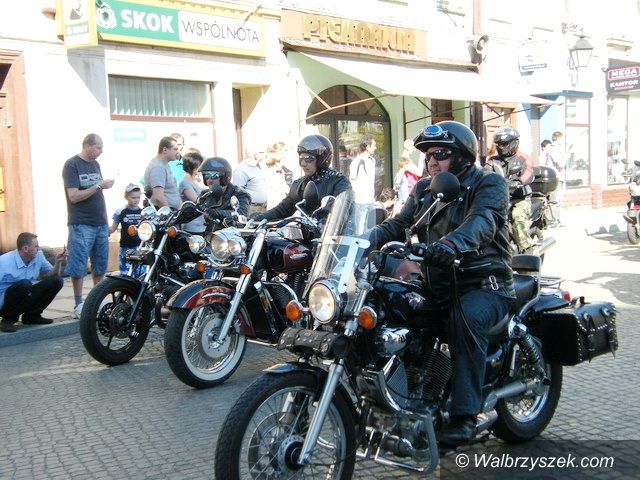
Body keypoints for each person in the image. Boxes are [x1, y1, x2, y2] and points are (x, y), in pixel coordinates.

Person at [368, 121, 515, 445]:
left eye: (441, 155)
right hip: (438, 284)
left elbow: (482, 222)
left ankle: (465, 416)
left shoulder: (488, 183)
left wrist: (449, 245)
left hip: (482, 283)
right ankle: (407, 394)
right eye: (428, 155)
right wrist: (360, 239)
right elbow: (398, 224)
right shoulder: (424, 188)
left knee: (464, 319)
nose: (432, 162)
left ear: (461, 156)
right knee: (390, 308)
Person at [62, 133, 114, 319]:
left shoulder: (95, 164)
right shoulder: (72, 165)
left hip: (100, 222)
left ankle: (96, 301)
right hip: (81, 222)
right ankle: (78, 303)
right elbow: (74, 196)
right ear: (87, 145)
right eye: (98, 147)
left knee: (100, 265)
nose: (101, 151)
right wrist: (98, 186)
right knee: (78, 264)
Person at [253, 134, 351, 222]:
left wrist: (324, 219)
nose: (303, 164)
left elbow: (343, 208)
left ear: (322, 158)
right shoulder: (299, 184)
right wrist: (255, 220)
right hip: (306, 235)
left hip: (330, 235)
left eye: (308, 158)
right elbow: (282, 209)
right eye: (301, 158)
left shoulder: (338, 181)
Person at [0, 233, 66, 332]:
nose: (39, 248)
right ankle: (8, 320)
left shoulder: (38, 255)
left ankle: (32, 316)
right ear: (25, 248)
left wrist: (58, 262)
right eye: (36, 246)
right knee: (24, 284)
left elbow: (52, 274)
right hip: (4, 302)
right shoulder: (4, 261)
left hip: (26, 293)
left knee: (57, 281)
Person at [485, 127, 534, 253]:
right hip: (498, 198)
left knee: (517, 216)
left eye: (504, 144)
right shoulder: (493, 161)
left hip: (519, 198)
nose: (501, 147)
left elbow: (528, 173)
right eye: (498, 144)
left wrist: (519, 182)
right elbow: (484, 174)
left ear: (513, 143)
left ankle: (527, 249)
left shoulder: (523, 158)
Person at [199, 157, 250, 224]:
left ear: (225, 177)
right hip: (209, 229)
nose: (209, 180)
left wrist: (217, 213)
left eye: (214, 176)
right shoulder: (205, 195)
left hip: (231, 229)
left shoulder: (240, 194)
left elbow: (241, 214)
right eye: (206, 176)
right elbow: (195, 210)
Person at [109, 183, 143, 275]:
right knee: (125, 273)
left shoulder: (143, 212)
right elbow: (113, 228)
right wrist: (106, 231)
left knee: (140, 272)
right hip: (125, 246)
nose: (136, 200)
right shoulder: (120, 211)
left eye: (138, 197)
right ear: (126, 197)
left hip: (139, 246)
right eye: (133, 198)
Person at [144, 136, 181, 210]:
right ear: (165, 150)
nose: (178, 152)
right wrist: (170, 214)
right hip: (164, 213)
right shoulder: (158, 167)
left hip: (171, 210)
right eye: (175, 149)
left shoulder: (163, 165)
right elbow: (158, 197)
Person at [233, 148, 268, 217]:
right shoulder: (241, 170)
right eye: (262, 152)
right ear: (255, 155)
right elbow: (238, 193)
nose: (265, 154)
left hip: (264, 207)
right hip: (252, 209)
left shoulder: (259, 166)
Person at [178, 148, 206, 234]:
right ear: (194, 168)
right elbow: (197, 201)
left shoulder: (197, 180)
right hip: (192, 226)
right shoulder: (185, 183)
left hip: (202, 224)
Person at [349, 134, 377, 203]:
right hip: (360, 202)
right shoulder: (357, 161)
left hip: (370, 200)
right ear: (367, 147)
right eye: (374, 146)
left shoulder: (372, 160)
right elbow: (352, 180)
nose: (375, 148)